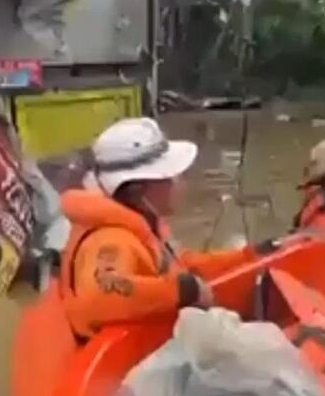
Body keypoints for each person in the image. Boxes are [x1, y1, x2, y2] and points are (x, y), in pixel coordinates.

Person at [58, 118, 257, 340]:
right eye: (170, 177)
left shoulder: (143, 221)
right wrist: (182, 291)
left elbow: (184, 265)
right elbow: (98, 296)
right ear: (138, 190)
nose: (181, 183)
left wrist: (249, 256)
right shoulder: (111, 239)